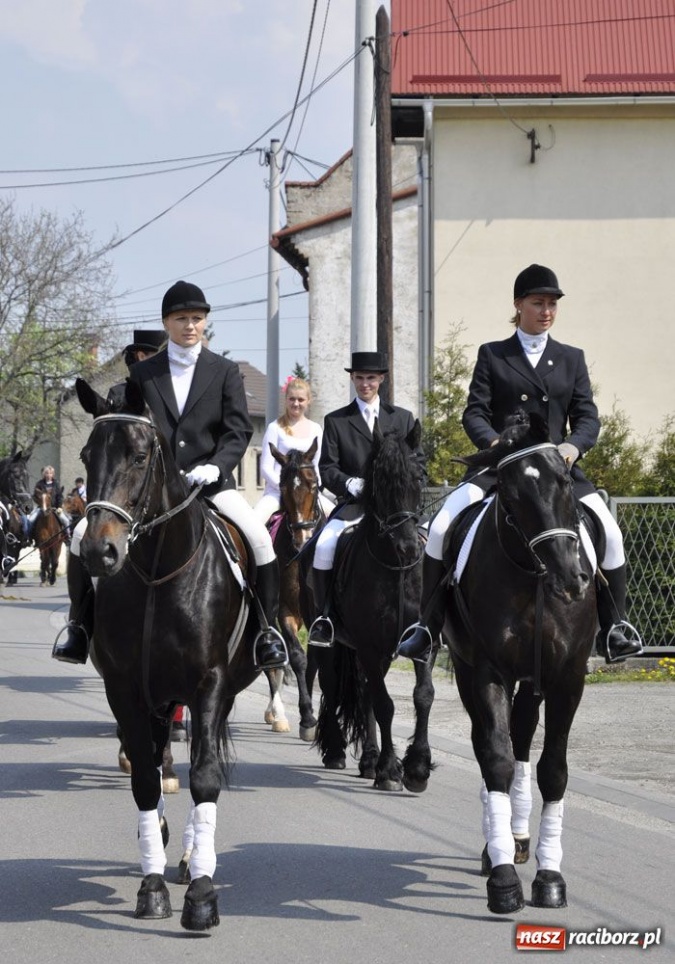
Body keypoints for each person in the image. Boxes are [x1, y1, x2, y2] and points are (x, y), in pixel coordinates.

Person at [397, 263, 644, 665]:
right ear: (518, 305)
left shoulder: (571, 358)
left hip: (557, 470)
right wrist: (495, 443)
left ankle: (615, 627)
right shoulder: (494, 354)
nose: (546, 310)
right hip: (499, 467)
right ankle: (428, 625)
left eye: (552, 304)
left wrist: (572, 448)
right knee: (441, 526)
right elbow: (473, 412)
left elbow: (587, 418)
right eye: (538, 303)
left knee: (611, 534)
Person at [52, 330, 167, 663]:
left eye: (152, 356)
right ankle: (80, 625)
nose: (145, 362)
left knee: (249, 535)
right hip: (128, 495)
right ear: (133, 360)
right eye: (140, 357)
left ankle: (262, 629)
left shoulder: (173, 394)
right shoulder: (118, 395)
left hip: (178, 488)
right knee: (77, 536)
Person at [307, 351, 426, 646]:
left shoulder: (402, 418)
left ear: (381, 379)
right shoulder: (336, 421)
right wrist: (349, 483)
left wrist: (405, 487)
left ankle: (431, 619)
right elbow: (327, 467)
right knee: (323, 545)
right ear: (352, 379)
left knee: (433, 543)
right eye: (359, 378)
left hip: (397, 510)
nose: (365, 384)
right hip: (355, 505)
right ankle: (325, 618)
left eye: (370, 378)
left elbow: (418, 463)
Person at [254, 376, 332, 524]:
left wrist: (312, 488)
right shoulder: (274, 428)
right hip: (277, 493)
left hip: (308, 492)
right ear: (286, 400)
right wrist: (287, 488)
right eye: (292, 399)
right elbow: (265, 467)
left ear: (308, 401)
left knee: (335, 518)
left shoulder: (316, 429)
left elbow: (316, 465)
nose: (296, 404)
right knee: (253, 525)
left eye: (301, 399)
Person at [27, 466, 70, 537]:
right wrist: (40, 504)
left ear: (53, 474)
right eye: (47, 473)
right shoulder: (39, 484)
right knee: (31, 520)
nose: (48, 475)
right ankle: (29, 537)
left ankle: (68, 536)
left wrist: (59, 507)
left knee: (66, 520)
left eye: (50, 473)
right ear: (44, 474)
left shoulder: (56, 483)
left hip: (54, 508)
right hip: (41, 508)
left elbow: (59, 496)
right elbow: (35, 496)